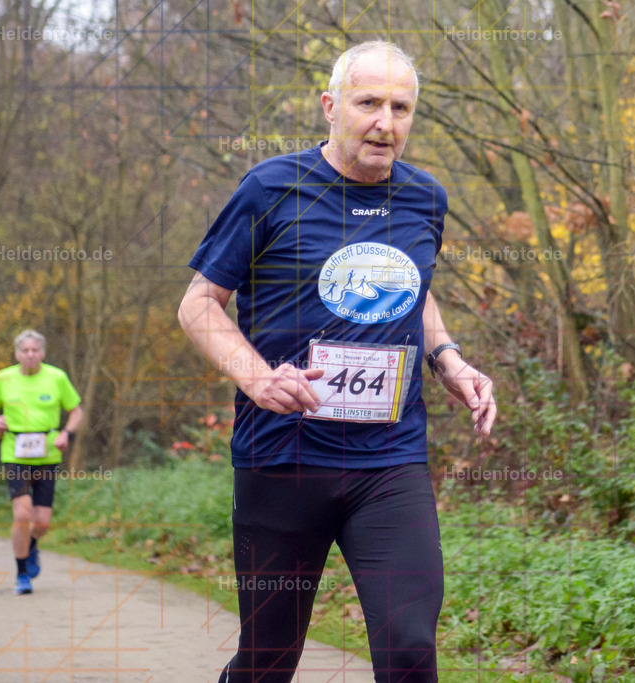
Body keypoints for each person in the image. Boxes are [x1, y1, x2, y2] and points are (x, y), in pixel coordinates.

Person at [177, 41, 497, 682]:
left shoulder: (425, 198)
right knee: (268, 661)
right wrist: (256, 376)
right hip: (283, 460)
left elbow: (414, 285)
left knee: (409, 647)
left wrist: (448, 360)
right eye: (369, 103)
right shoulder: (271, 188)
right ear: (330, 107)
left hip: (389, 461)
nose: (386, 122)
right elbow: (200, 303)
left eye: (400, 107)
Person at [0, 329, 83, 595]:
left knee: (41, 523)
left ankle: (32, 544)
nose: (30, 355)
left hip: (48, 454)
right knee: (22, 512)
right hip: (14, 454)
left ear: (43, 353)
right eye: (25, 350)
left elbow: (76, 411)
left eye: (34, 350)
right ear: (17, 354)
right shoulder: (3, 378)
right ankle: (21, 573)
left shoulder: (57, 377)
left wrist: (66, 433)